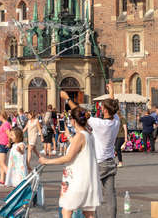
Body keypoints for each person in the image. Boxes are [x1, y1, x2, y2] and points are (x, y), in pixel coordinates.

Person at [39, 98, 102, 218]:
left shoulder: (80, 136)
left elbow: (68, 158)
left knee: (67, 210)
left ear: (73, 121)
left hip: (78, 180)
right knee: (88, 213)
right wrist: (68, 136)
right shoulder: (88, 134)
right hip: (88, 179)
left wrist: (47, 161)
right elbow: (80, 148)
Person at [85, 82, 120, 218]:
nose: (100, 108)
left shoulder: (100, 124)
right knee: (110, 195)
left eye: (102, 107)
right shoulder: (115, 121)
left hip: (99, 163)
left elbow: (81, 114)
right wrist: (112, 91)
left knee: (91, 192)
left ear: (105, 110)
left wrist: (68, 100)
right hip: (110, 162)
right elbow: (113, 108)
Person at [0, 111, 11, 186]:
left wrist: (9, 143)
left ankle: (11, 179)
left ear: (2, 116)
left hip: (2, 144)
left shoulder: (6, 124)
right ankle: (2, 180)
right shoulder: (3, 124)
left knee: (2, 163)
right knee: (1, 164)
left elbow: (9, 134)